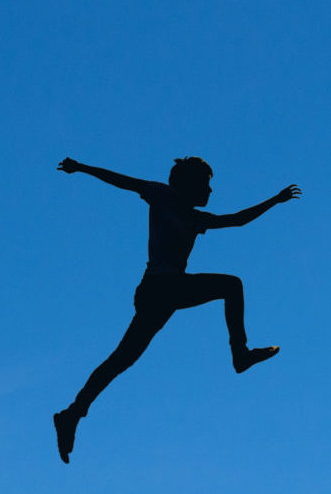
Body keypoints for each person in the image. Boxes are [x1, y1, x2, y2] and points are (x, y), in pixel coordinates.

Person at [51, 155, 300, 462]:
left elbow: (236, 219)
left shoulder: (196, 220)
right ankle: (240, 354)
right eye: (207, 185)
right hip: (159, 288)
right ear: (189, 184)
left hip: (168, 292)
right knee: (230, 285)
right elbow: (121, 180)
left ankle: (72, 414)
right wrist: (81, 168)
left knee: (122, 359)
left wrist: (275, 200)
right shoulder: (161, 195)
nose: (210, 192)